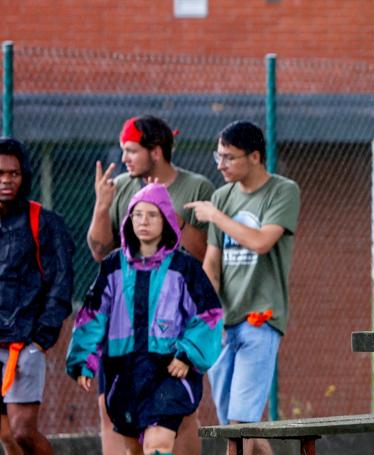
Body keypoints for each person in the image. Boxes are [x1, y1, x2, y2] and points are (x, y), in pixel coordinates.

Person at [86, 115, 215, 454]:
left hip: (172, 324)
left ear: (155, 151)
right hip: (127, 324)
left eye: (131, 150)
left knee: (178, 414)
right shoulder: (124, 187)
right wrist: (102, 205)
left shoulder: (195, 187)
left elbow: (201, 256)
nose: (124, 158)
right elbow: (101, 251)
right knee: (111, 407)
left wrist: (172, 223)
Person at [67, 183, 222, 455]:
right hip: (124, 371)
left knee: (157, 445)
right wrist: (83, 359)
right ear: (129, 220)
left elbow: (209, 314)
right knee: (134, 449)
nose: (144, 221)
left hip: (169, 370)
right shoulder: (113, 266)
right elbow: (93, 313)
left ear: (166, 220)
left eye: (152, 214)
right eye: (137, 214)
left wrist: (187, 354)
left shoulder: (184, 268)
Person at [186, 120, 300, 455]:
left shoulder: (283, 191)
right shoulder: (221, 196)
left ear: (254, 157)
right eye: (217, 156)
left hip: (260, 319)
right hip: (224, 323)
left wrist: (216, 216)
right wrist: (209, 316)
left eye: (229, 158)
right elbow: (212, 263)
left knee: (240, 427)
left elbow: (262, 241)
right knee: (242, 432)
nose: (220, 165)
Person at [0, 137, 75, 454]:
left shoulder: (44, 222)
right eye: (0, 173)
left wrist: (41, 337)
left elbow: (61, 282)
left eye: (13, 173)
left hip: (24, 343)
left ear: (24, 175)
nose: (6, 180)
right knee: (5, 436)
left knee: (22, 433)